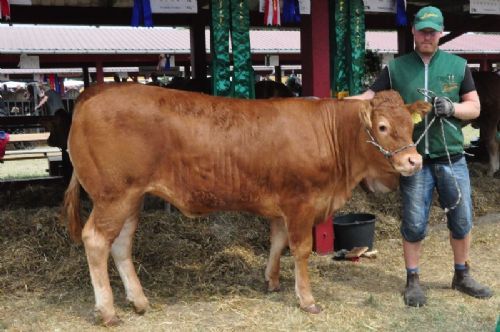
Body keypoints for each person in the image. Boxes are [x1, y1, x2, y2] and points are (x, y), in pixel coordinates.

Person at [352, 6, 493, 307]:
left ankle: (462, 274)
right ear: (413, 32)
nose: (427, 36)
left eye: (433, 31)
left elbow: (475, 107)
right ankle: (413, 279)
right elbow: (368, 97)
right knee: (414, 222)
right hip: (414, 161)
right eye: (422, 30)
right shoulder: (396, 68)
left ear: (440, 33)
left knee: (462, 218)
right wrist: (331, 105)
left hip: (452, 156)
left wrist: (452, 108)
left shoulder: (458, 66)